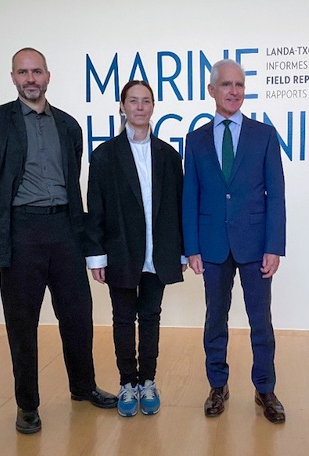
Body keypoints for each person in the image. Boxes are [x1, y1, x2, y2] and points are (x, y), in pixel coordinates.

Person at [0, 47, 117, 435]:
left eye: (36, 72)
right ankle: (27, 405)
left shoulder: (68, 126)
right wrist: (4, 214)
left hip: (65, 229)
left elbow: (73, 180)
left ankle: (83, 388)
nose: (30, 79)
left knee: (78, 317)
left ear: (48, 76)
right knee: (22, 324)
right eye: (23, 73)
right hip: (21, 233)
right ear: (13, 77)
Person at [182, 59, 287, 423]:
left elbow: (277, 194)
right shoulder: (195, 140)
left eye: (239, 85)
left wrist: (274, 245)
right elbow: (190, 196)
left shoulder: (264, 135)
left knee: (261, 320)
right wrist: (191, 247)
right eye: (226, 85)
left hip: (256, 244)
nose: (233, 91)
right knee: (216, 319)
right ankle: (218, 385)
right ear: (212, 90)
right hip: (211, 245)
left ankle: (265, 388)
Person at [86, 80, 186, 417]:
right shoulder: (104, 156)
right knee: (123, 318)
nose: (140, 107)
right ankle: (127, 382)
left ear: (153, 107)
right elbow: (95, 209)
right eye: (133, 101)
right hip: (120, 252)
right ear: (122, 106)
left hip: (158, 254)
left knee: (152, 318)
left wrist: (181, 251)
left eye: (146, 101)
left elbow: (178, 207)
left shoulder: (169, 156)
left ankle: (148, 381)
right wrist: (96, 254)